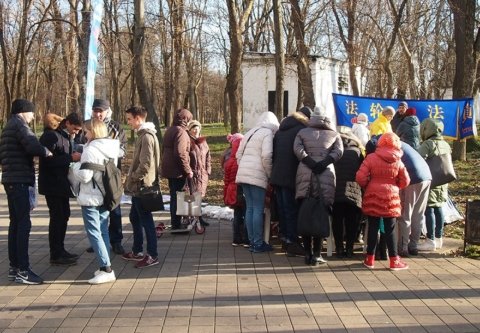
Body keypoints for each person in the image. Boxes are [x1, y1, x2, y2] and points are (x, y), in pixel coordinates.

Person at [0, 99, 53, 284]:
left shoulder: (9, 126)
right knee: (23, 224)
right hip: (20, 180)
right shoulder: (20, 125)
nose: (33, 116)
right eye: (31, 113)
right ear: (24, 111)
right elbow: (32, 145)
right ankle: (23, 269)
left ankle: (15, 267)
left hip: (10, 179)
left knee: (15, 223)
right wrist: (46, 152)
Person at [71, 119, 119, 284]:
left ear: (93, 131)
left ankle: (106, 269)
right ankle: (104, 265)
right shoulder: (111, 147)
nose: (84, 134)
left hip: (91, 196)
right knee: (103, 231)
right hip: (105, 194)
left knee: (94, 233)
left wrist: (74, 165)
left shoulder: (91, 150)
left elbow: (85, 176)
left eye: (86, 131)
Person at [294, 108, 343, 266]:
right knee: (321, 213)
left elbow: (297, 149)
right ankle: (317, 254)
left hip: (305, 173)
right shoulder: (334, 134)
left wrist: (308, 161)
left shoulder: (302, 132)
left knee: (306, 212)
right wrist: (324, 163)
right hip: (325, 175)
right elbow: (339, 151)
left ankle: (307, 252)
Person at [356, 132, 410, 271]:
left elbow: (360, 176)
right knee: (390, 228)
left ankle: (369, 259)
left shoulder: (371, 157)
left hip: (373, 193)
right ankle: (393, 260)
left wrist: (368, 185)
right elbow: (406, 180)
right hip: (391, 195)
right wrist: (396, 185)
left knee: (373, 227)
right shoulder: (398, 160)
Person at [80, 99, 127, 255]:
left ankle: (116, 240)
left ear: (108, 111)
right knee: (96, 211)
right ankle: (98, 242)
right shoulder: (87, 125)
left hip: (111, 173)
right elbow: (82, 145)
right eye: (95, 111)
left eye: (101, 111)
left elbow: (123, 150)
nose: (98, 114)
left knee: (114, 207)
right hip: (92, 177)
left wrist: (107, 153)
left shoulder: (116, 127)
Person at [39, 112, 83, 266]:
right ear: (68, 123)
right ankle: (56, 254)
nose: (76, 132)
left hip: (61, 183)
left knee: (64, 215)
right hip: (52, 185)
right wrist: (71, 158)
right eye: (75, 129)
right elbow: (47, 161)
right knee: (57, 217)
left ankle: (60, 249)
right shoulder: (51, 136)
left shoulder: (65, 136)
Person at [270, 106, 312, 257]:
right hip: (291, 175)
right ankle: (292, 242)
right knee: (291, 210)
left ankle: (285, 240)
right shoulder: (301, 131)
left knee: (282, 210)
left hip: (277, 175)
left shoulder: (281, 130)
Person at [122, 106, 161, 268]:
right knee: (135, 217)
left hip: (142, 186)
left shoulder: (146, 137)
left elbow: (145, 165)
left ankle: (152, 255)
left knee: (146, 221)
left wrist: (133, 178)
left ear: (138, 118)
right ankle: (137, 250)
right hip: (139, 186)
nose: (128, 122)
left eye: (130, 119)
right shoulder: (143, 135)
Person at [236, 111, 279, 253]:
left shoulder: (249, 133)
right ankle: (258, 243)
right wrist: (270, 174)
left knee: (249, 208)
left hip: (243, 174)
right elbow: (267, 155)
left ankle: (252, 241)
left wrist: (243, 167)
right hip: (258, 175)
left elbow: (238, 154)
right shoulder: (267, 133)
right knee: (258, 209)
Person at [416, 118, 451, 251]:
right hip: (443, 180)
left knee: (429, 208)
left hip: (431, 180)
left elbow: (419, 159)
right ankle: (438, 238)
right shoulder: (445, 144)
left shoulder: (428, 144)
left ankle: (429, 240)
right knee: (439, 207)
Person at [332, 128, 363, 258]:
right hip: (354, 189)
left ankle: (339, 248)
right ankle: (350, 248)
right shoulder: (358, 152)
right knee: (352, 220)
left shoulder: (335, 152)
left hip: (336, 189)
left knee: (337, 220)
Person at [161, 108, 194, 231]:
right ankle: (176, 223)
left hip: (169, 168)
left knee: (174, 195)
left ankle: (175, 221)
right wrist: (187, 170)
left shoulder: (170, 130)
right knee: (178, 196)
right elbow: (180, 153)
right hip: (177, 170)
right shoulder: (181, 132)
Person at [397, 142, 431, 256]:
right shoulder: (404, 144)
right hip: (426, 176)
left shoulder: (389, 145)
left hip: (412, 178)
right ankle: (414, 246)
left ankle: (403, 247)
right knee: (418, 214)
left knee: (405, 214)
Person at [223, 133, 248, 247]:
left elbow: (226, 181)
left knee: (237, 214)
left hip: (232, 190)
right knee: (246, 213)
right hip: (242, 190)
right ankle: (246, 238)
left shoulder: (228, 162)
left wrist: (225, 195)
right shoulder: (243, 162)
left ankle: (236, 238)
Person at [187, 120, 211, 227]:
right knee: (192, 197)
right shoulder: (188, 141)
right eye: (193, 128)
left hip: (203, 174)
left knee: (199, 197)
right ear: (190, 130)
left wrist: (208, 170)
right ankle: (193, 218)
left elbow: (208, 157)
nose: (196, 130)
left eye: (197, 128)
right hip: (193, 174)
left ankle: (199, 218)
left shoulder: (203, 141)